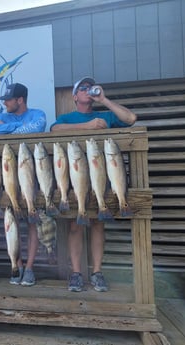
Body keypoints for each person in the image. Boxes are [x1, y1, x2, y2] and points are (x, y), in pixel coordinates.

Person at [50, 76, 137, 292]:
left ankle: (97, 272)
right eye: (83, 88)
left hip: (103, 176)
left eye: (91, 87)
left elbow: (131, 118)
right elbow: (54, 130)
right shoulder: (67, 117)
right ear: (75, 96)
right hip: (76, 177)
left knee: (99, 222)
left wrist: (105, 100)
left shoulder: (106, 114)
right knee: (76, 224)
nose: (88, 90)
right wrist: (87, 126)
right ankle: (76, 273)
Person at [0, 82, 46, 287]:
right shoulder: (5, 116)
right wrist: (14, 128)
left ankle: (29, 268)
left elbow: (38, 127)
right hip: (8, 176)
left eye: (8, 100)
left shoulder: (37, 113)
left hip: (31, 176)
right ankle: (16, 265)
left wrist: (7, 130)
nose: (5, 103)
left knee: (32, 221)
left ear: (20, 100)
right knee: (12, 222)